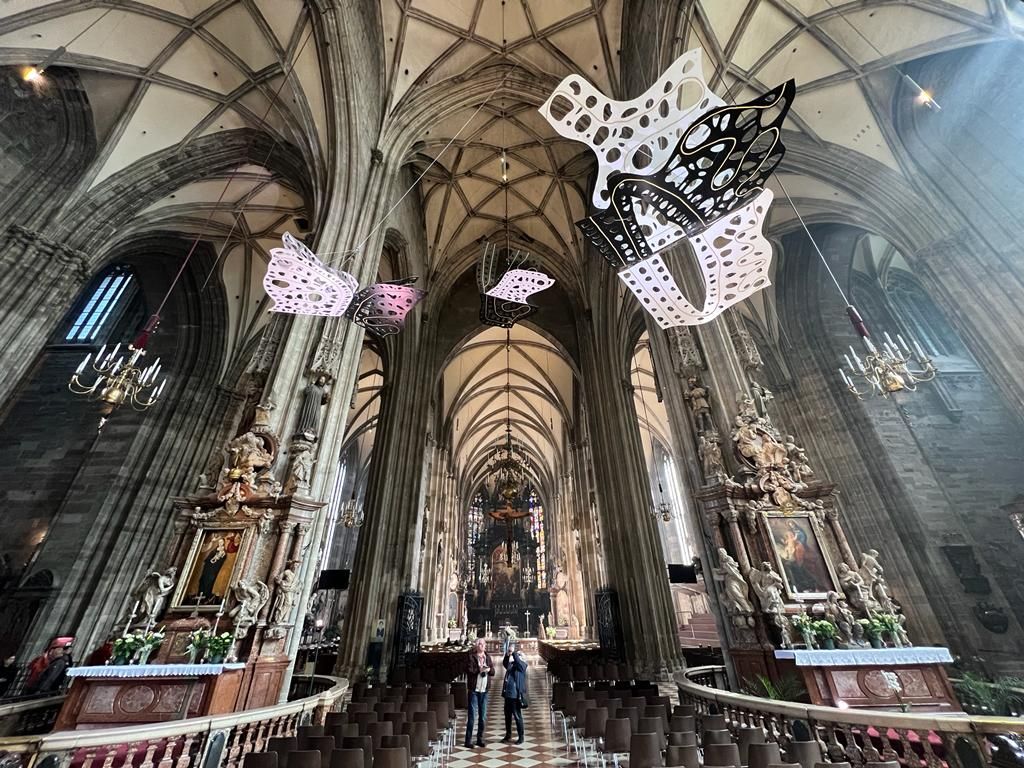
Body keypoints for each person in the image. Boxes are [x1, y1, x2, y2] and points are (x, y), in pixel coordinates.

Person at [464, 638, 494, 749]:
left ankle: (479, 739)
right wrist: (479, 670)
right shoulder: (471, 657)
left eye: (484, 644)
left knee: (482, 717)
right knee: (472, 716)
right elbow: (469, 670)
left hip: (484, 691)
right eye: (481, 644)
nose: (483, 646)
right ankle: (468, 740)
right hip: (474, 691)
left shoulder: (487, 657)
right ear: (477, 646)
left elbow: (493, 672)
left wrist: (488, 669)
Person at [501, 642, 528, 744]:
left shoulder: (522, 665)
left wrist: (514, 653)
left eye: (518, 656)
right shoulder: (511, 665)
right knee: (507, 715)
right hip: (507, 693)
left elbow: (518, 662)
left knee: (517, 716)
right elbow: (505, 663)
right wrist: (508, 654)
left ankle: (521, 736)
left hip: (515, 694)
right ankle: (508, 734)